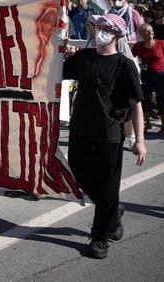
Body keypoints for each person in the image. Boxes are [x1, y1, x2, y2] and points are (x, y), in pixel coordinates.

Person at [63, 14, 146, 260]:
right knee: (79, 175)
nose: (99, 31)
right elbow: (58, 70)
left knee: (108, 186)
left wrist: (139, 140)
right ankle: (112, 211)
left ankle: (100, 237)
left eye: (105, 28)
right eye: (98, 26)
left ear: (116, 35)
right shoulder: (85, 57)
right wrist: (57, 46)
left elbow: (136, 104)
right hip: (80, 130)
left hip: (109, 134)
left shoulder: (124, 65)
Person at [131, 23, 164, 132]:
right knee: (144, 99)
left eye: (152, 30)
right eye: (148, 31)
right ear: (141, 34)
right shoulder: (138, 46)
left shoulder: (161, 43)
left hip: (161, 74)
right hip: (146, 74)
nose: (151, 33)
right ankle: (147, 123)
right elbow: (130, 58)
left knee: (161, 100)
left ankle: (163, 125)